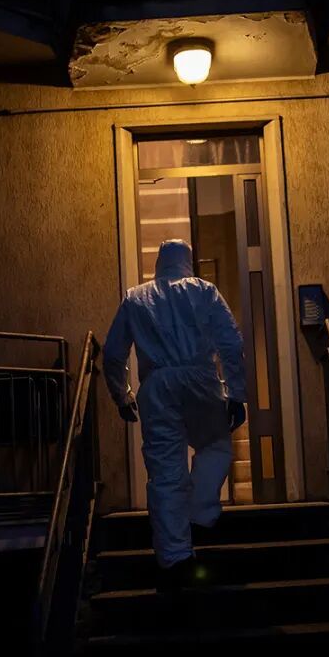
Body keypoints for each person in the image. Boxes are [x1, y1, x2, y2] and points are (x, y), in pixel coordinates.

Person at [103, 239, 247, 591]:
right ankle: (200, 510)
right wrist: (236, 393)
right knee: (215, 445)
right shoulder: (204, 291)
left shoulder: (135, 298)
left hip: (157, 386)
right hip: (201, 379)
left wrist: (122, 395)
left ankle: (175, 556)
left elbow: (113, 353)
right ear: (188, 261)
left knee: (166, 472)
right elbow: (231, 343)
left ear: (159, 262)